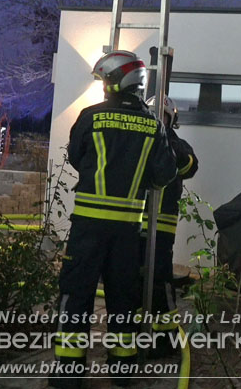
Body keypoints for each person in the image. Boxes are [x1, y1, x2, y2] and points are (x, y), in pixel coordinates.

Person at [51, 51, 176, 388]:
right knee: (123, 299)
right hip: (127, 232)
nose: (104, 87)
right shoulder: (154, 125)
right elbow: (164, 175)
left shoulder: (90, 116)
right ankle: (123, 371)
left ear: (115, 82)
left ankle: (68, 375)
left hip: (87, 227)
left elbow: (77, 157)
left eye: (105, 81)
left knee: (76, 295)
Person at [141, 95, 198, 358]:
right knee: (130, 281)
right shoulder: (137, 139)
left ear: (171, 119)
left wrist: (166, 145)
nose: (156, 120)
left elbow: (190, 165)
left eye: (161, 116)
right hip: (133, 224)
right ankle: (133, 336)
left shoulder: (176, 144)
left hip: (161, 226)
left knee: (160, 282)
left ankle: (166, 339)